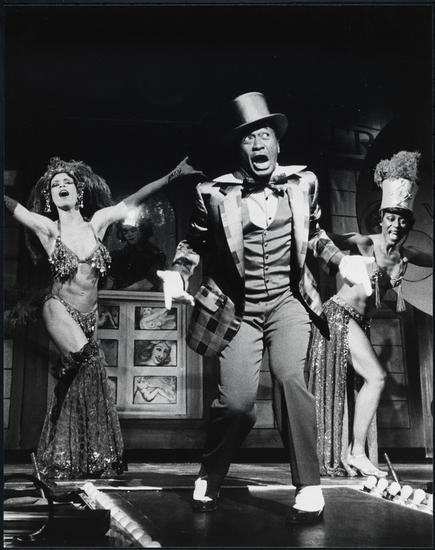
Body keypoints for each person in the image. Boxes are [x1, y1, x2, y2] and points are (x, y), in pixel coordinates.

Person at [157, 92, 374, 523]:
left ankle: (309, 485)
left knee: (291, 378)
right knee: (237, 404)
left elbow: (315, 234)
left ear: (278, 143)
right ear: (239, 147)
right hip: (237, 308)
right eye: (248, 138)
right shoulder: (213, 194)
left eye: (265, 136)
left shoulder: (303, 183)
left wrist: (341, 261)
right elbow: (193, 243)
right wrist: (179, 273)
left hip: (288, 302)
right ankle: (212, 473)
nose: (258, 145)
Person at [4, 155, 199, 479]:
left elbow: (135, 198)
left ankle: (66, 456)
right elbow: (14, 208)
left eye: (67, 182)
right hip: (58, 308)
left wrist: (172, 175)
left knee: (75, 380)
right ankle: (91, 453)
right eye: (55, 185)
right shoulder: (48, 228)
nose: (61, 187)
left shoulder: (98, 223)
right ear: (50, 196)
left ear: (78, 191)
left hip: (90, 317)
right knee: (91, 363)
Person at [308, 151, 432, 478]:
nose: (396, 225)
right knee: (376, 378)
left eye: (402, 220)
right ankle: (357, 453)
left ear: (408, 224)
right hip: (338, 315)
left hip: (358, 322)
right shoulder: (366, 243)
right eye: (391, 218)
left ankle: (354, 452)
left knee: (369, 381)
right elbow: (323, 239)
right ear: (381, 218)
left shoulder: (405, 257)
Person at [109, 218, 166, 291]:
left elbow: (147, 284)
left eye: (133, 230)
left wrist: (121, 293)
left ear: (142, 230)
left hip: (144, 297)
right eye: (125, 231)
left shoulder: (156, 255)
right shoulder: (118, 255)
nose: (129, 234)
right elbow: (110, 281)